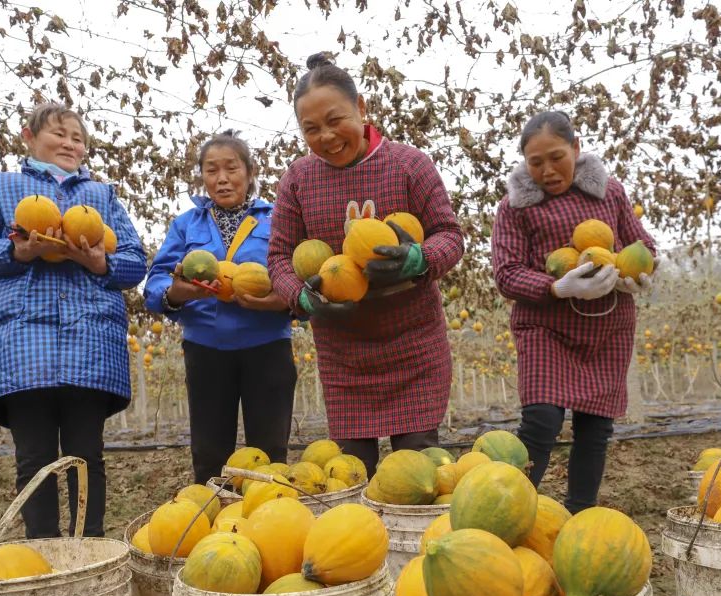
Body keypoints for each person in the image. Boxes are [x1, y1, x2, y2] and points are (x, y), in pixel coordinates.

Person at [0, 102, 147, 538]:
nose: (69, 143)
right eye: (59, 134)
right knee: (34, 457)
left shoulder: (102, 196)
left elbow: (135, 262)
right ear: (29, 137)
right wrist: (18, 252)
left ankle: (88, 550)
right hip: (23, 346)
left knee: (86, 455)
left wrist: (100, 263)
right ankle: (42, 550)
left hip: (91, 343)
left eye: (77, 138)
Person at [267, 53, 464, 477]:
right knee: (352, 476)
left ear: (362, 108)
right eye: (311, 129)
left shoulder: (410, 164)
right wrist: (303, 297)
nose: (326, 136)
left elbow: (450, 235)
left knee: (416, 476)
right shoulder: (298, 180)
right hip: (345, 358)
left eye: (335, 119)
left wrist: (419, 259)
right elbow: (279, 258)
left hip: (416, 349)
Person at [491, 110, 657, 512]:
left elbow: (641, 246)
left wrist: (636, 275)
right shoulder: (514, 208)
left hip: (607, 327)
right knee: (541, 422)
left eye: (556, 157)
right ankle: (506, 511)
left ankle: (580, 515)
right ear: (524, 164)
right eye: (536, 162)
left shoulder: (610, 193)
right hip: (545, 327)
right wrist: (555, 286)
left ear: (576, 148)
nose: (547, 170)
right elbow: (506, 273)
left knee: (595, 428)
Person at [144, 131, 295, 484]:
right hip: (207, 350)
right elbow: (156, 286)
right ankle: (212, 527)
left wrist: (279, 298)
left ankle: (271, 523)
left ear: (250, 172)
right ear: (203, 176)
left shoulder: (277, 220)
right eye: (212, 170)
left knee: (270, 450)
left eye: (231, 168)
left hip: (267, 347)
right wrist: (182, 293)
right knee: (210, 454)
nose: (222, 178)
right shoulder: (186, 225)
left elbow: (294, 275)